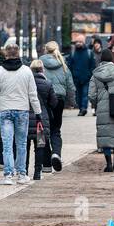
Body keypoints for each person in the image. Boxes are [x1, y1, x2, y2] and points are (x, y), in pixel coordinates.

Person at [0, 39, 40, 184]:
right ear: (18, 54)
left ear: (6, 55)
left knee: (7, 144)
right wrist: (38, 112)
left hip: (5, 110)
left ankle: (8, 175)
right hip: (22, 109)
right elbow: (32, 94)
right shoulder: (26, 71)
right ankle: (22, 174)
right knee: (21, 144)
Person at [40, 41, 75, 170]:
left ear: (45, 50)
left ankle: (46, 164)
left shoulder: (39, 64)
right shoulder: (63, 65)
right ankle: (56, 153)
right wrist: (72, 102)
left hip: (43, 100)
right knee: (55, 129)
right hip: (59, 100)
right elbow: (70, 86)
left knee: (43, 130)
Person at [28, 58, 55, 180]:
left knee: (25, 146)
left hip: (27, 118)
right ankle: (37, 172)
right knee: (39, 146)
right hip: (41, 119)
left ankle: (23, 170)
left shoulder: (27, 82)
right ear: (42, 69)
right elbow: (53, 103)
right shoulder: (47, 84)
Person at [68, 38, 96, 116]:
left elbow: (92, 65)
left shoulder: (89, 52)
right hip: (76, 78)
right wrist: (72, 75)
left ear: (83, 43)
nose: (78, 43)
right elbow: (69, 65)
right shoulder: (73, 53)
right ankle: (81, 108)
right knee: (78, 95)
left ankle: (83, 108)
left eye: (80, 42)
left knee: (85, 94)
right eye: (77, 42)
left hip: (86, 78)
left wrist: (89, 74)